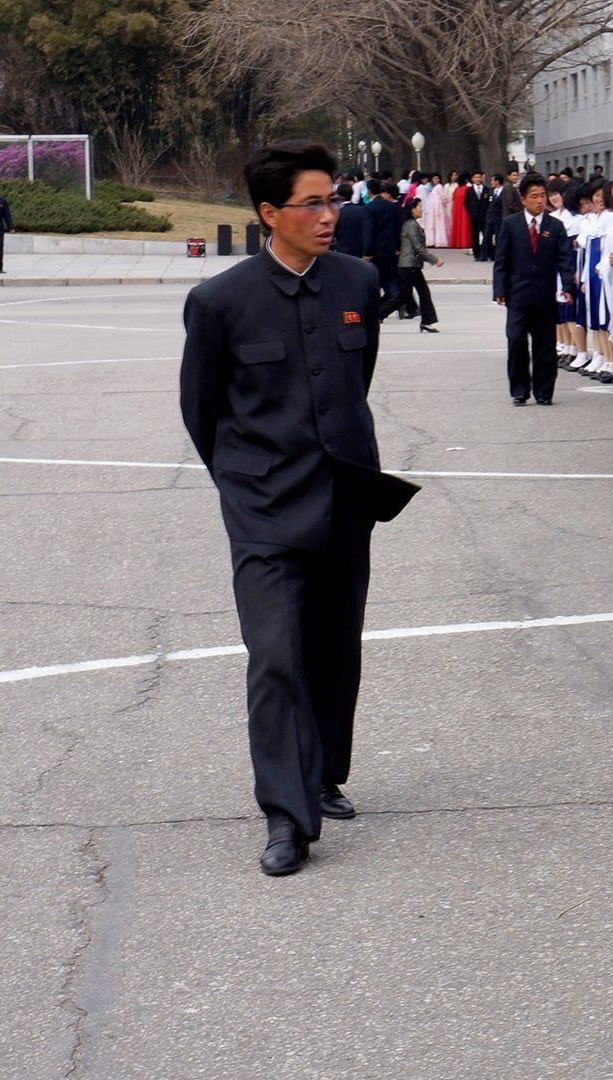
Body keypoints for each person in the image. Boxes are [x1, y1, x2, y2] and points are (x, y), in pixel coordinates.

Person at [177, 140, 418, 877]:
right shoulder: (220, 300)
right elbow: (202, 408)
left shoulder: (357, 278)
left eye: (332, 198)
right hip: (263, 502)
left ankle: (324, 774)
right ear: (268, 213)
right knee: (275, 653)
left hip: (344, 491)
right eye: (312, 202)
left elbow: (357, 374)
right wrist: (244, 482)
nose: (328, 214)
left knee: (334, 645)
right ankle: (287, 814)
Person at [494, 174, 576, 406]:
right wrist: (499, 289)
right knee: (516, 340)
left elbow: (565, 260)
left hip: (544, 295)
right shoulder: (510, 225)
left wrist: (568, 286)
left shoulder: (555, 226)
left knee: (544, 345)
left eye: (543, 196)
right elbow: (501, 260)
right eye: (534, 197)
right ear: (523, 199)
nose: (539, 201)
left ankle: (544, 391)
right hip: (517, 295)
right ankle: (519, 389)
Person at [383, 196, 444, 332]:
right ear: (412, 209)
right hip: (408, 265)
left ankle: (427, 321)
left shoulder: (412, 224)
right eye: (419, 207)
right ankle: (378, 315)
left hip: (412, 265)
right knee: (404, 296)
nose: (422, 210)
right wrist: (435, 260)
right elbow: (418, 248)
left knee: (423, 293)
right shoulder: (411, 225)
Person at [363, 182, 403, 313]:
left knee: (374, 282)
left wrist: (367, 252)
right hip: (390, 250)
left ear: (369, 192)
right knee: (390, 280)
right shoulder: (392, 207)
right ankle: (396, 300)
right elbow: (398, 228)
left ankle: (374, 311)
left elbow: (369, 232)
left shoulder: (369, 208)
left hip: (375, 252)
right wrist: (397, 247)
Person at [331, 182, 369, 259]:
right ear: (352, 194)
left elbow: (333, 233)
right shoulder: (362, 210)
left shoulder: (337, 212)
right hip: (359, 252)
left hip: (342, 251)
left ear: (338, 195)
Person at [465, 171, 490, 259]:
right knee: (474, 237)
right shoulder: (469, 190)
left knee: (486, 235)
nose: (478, 179)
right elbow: (466, 203)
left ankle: (485, 253)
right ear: (472, 179)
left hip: (484, 216)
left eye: (479, 177)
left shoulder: (487, 189)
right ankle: (477, 254)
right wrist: (470, 212)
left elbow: (489, 202)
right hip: (474, 217)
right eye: (475, 177)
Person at [484, 175, 505, 262]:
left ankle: (498, 255)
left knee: (498, 237)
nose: (491, 182)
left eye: (493, 180)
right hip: (490, 217)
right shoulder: (490, 191)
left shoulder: (504, 191)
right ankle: (486, 254)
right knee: (487, 236)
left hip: (499, 217)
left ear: (497, 181)